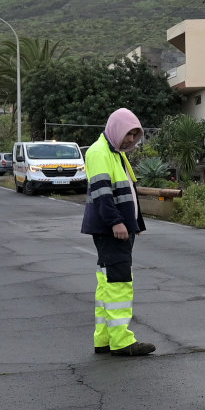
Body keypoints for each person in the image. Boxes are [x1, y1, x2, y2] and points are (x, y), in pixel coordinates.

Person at [81, 109, 155, 357]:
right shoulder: (99, 152)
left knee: (107, 283)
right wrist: (116, 223)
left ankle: (104, 339)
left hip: (116, 227)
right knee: (119, 283)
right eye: (128, 134)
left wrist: (136, 224)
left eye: (135, 135)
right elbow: (102, 193)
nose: (131, 140)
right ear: (115, 129)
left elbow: (127, 191)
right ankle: (122, 341)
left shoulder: (115, 153)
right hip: (110, 229)